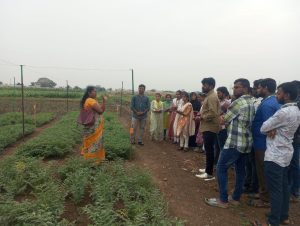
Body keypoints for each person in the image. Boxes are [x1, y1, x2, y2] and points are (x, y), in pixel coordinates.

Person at [205, 78, 255, 208]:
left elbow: (224, 120)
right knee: (240, 171)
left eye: (237, 87)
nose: (234, 89)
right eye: (234, 87)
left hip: (234, 142)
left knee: (221, 168)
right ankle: (235, 198)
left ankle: (223, 200)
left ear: (245, 88)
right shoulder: (252, 101)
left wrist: (220, 115)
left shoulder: (238, 103)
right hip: (246, 142)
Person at [261, 82, 300, 226]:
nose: (277, 95)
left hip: (274, 155)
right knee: (283, 188)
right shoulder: (296, 110)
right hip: (286, 153)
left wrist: (272, 128)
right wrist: (274, 129)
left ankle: (273, 221)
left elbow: (263, 127)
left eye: (279, 93)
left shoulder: (283, 112)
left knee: (275, 190)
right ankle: (283, 216)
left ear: (287, 95)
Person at [250, 78, 281, 207]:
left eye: (259, 87)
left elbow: (269, 127)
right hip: (261, 141)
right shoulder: (270, 101)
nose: (257, 90)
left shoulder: (268, 104)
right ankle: (263, 192)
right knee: (262, 170)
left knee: (263, 170)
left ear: (266, 88)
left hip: (263, 143)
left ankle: (266, 198)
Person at [197, 77, 220, 179]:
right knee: (208, 149)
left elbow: (213, 113)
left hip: (210, 127)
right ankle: (207, 168)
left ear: (211, 86)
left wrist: (201, 117)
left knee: (209, 149)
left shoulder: (212, 97)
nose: (203, 87)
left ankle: (209, 173)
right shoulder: (210, 96)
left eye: (204, 85)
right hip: (208, 126)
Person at [80, 86, 107, 164]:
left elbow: (100, 110)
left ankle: (92, 160)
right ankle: (92, 161)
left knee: (93, 143)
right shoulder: (90, 100)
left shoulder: (91, 100)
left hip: (93, 127)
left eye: (96, 91)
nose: (96, 93)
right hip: (93, 127)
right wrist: (104, 101)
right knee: (93, 143)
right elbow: (101, 111)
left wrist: (103, 102)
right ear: (89, 93)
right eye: (94, 91)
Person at [288, 80, 300, 202]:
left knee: (294, 165)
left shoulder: (297, 103)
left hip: (294, 138)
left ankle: (294, 191)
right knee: (292, 165)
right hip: (293, 137)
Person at [215, 86, 231, 164]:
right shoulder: (219, 102)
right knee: (217, 147)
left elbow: (218, 114)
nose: (217, 94)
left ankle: (220, 165)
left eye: (219, 93)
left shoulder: (226, 103)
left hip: (223, 128)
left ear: (224, 93)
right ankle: (216, 164)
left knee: (221, 147)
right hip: (217, 127)